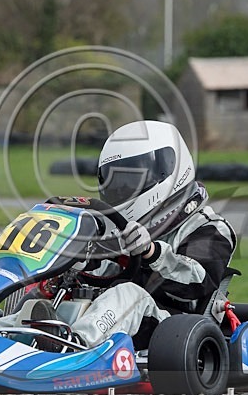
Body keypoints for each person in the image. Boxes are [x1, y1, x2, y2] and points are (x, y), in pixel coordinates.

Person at [67, 120, 238, 349]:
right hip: (117, 323)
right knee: (54, 290)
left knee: (129, 295)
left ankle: (72, 350)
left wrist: (152, 252)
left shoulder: (209, 228)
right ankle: (9, 339)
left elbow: (196, 281)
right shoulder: (121, 228)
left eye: (132, 179)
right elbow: (106, 273)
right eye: (116, 181)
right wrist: (75, 262)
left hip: (175, 332)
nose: (122, 189)